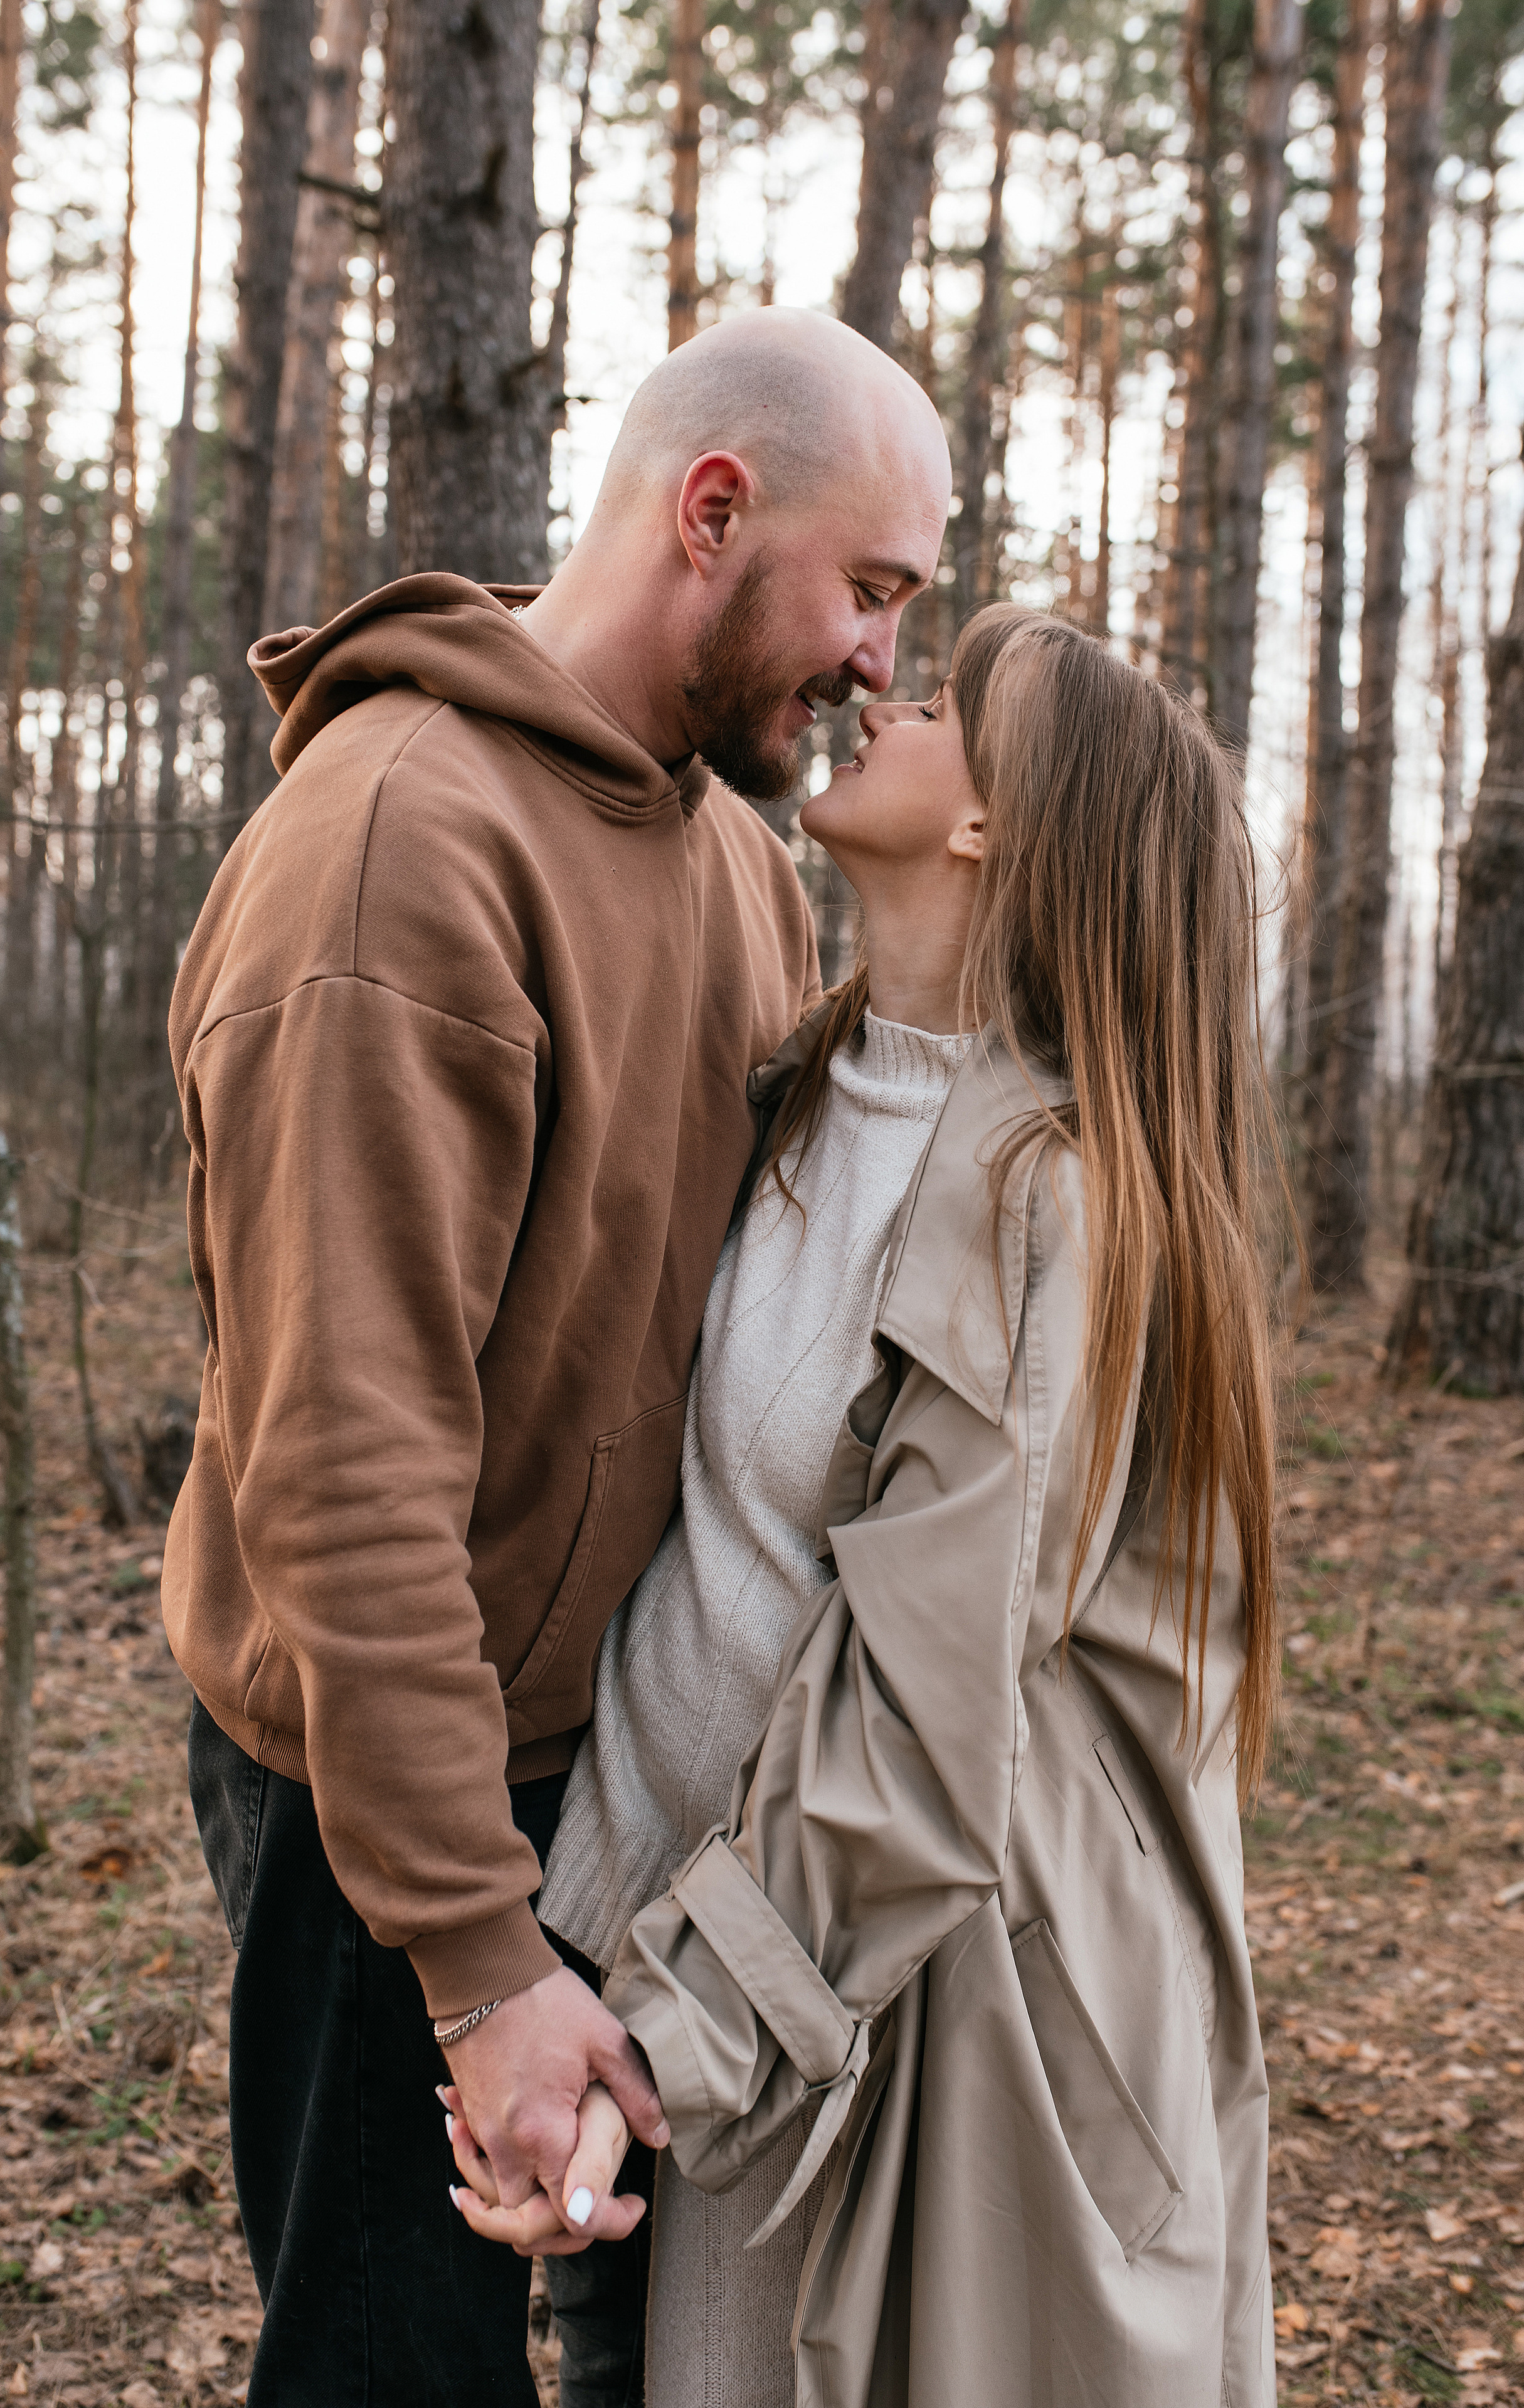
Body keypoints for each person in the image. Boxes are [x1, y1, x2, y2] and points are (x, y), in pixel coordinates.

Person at [164, 305, 954, 2407]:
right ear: (714, 509)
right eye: (870, 590)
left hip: (612, 1762)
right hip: (385, 1795)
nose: (886, 660)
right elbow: (343, 1466)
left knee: (637, 2349)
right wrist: (477, 1950)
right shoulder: (397, 854)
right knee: (394, 2371)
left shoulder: (720, 851)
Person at [459, 604, 1281, 2407]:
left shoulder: (1039, 1203)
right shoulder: (808, 1084)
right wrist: (569, 1962)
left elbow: (922, 1724)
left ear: (999, 824)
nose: (883, 699)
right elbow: (725, 1567)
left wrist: (663, 2046)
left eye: (944, 703)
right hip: (692, 1967)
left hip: (869, 2018)